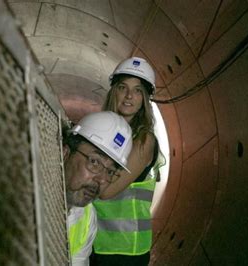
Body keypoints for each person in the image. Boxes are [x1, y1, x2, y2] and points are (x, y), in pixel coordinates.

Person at [91, 57, 164, 265]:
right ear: (114, 91)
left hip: (126, 250)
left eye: (138, 90)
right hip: (98, 243)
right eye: (123, 87)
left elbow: (106, 192)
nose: (129, 96)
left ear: (144, 100)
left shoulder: (144, 141)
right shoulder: (103, 130)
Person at [64, 111, 133, 266]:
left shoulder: (87, 218)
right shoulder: (28, 193)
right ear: (65, 153)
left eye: (110, 172)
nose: (101, 180)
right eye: (94, 162)